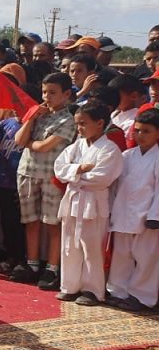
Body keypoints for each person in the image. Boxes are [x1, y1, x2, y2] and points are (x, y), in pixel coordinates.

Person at [53, 101, 123, 306]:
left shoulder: (110, 149)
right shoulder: (77, 145)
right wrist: (80, 169)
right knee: (69, 244)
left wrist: (73, 174)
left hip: (94, 202)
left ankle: (93, 290)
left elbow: (101, 178)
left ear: (100, 123)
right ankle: (70, 286)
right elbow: (59, 168)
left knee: (92, 247)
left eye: (83, 123)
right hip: (73, 198)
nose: (79, 128)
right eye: (77, 124)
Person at [12, 72, 76, 288]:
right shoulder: (38, 114)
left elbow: (43, 146)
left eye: (52, 92)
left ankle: (52, 267)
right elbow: (19, 140)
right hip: (28, 172)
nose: (47, 97)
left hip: (51, 175)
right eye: (44, 92)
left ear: (66, 94)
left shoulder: (68, 119)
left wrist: (29, 143)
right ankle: (32, 263)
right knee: (30, 220)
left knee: (52, 222)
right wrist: (31, 117)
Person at [107, 108, 159, 311]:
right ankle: (118, 291)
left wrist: (155, 215)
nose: (140, 135)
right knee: (122, 254)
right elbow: (115, 187)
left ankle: (142, 295)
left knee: (146, 257)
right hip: (123, 212)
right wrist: (111, 210)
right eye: (137, 130)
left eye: (146, 131)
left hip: (147, 215)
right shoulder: (127, 156)